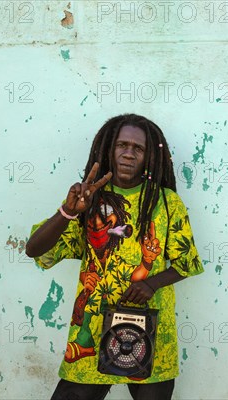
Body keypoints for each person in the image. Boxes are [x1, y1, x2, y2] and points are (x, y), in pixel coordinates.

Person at [25, 114, 204, 400]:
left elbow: (187, 263)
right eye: (122, 145)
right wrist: (69, 211)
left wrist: (152, 283)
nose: (128, 153)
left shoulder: (166, 202)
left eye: (138, 148)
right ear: (109, 149)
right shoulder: (89, 199)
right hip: (92, 330)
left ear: (148, 158)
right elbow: (34, 249)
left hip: (149, 330)